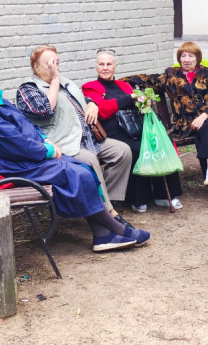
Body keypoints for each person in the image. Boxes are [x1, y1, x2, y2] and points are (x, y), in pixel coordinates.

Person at [0, 54, 149, 252]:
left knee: (81, 168)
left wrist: (45, 138)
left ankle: (104, 235)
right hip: (8, 166)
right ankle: (113, 230)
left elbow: (27, 126)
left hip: (21, 159)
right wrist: (46, 150)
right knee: (78, 172)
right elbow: (12, 142)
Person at [15, 45, 134, 227]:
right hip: (63, 144)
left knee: (122, 152)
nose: (55, 66)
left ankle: (101, 204)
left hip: (87, 138)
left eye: (57, 62)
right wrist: (54, 81)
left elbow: (82, 99)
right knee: (91, 161)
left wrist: (92, 103)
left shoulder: (66, 82)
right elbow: (44, 111)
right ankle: (110, 215)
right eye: (50, 63)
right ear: (36, 67)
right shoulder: (28, 89)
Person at [127, 42, 208, 196]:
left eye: (190, 55)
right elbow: (147, 80)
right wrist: (118, 82)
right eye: (183, 56)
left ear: (197, 58)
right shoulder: (171, 75)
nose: (186, 59)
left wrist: (204, 116)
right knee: (207, 128)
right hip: (185, 125)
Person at [82, 49, 184, 213]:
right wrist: (129, 99)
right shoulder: (90, 87)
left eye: (109, 64)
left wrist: (144, 103)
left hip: (135, 128)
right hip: (112, 133)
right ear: (96, 67)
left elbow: (137, 106)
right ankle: (138, 199)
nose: (105, 68)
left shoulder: (124, 85)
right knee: (137, 149)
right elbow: (103, 110)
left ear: (115, 66)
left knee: (163, 143)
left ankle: (164, 195)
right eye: (101, 64)